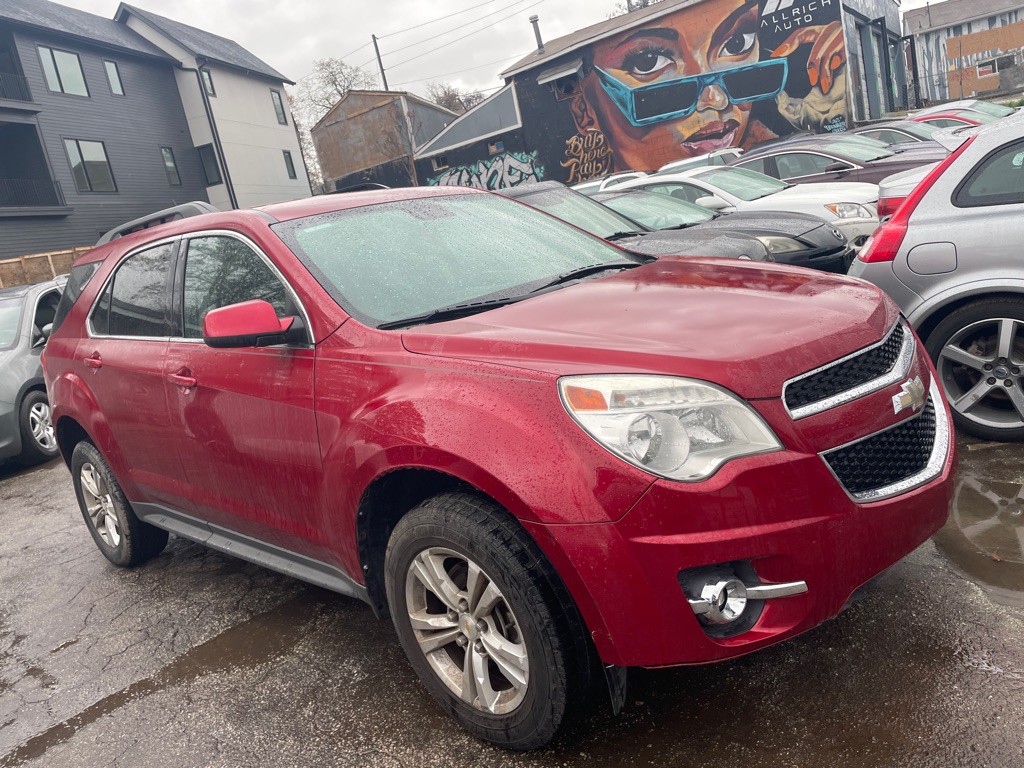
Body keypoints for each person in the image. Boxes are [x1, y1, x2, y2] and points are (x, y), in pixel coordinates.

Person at [566, 0, 847, 173]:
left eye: (737, 43)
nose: (715, 98)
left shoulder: (772, 157)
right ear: (583, 110)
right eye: (648, 61)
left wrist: (839, 76)